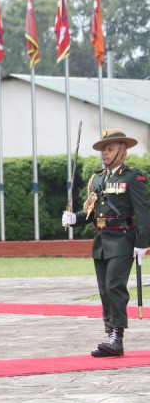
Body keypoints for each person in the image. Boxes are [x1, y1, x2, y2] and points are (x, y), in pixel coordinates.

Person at [62, 128, 150, 357]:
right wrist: (75, 219)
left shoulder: (133, 176)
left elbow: (144, 212)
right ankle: (110, 333)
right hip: (101, 242)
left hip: (122, 240)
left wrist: (143, 242)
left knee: (114, 286)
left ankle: (116, 337)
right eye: (104, 149)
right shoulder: (98, 178)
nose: (105, 153)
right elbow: (91, 213)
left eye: (110, 149)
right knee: (104, 290)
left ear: (123, 151)